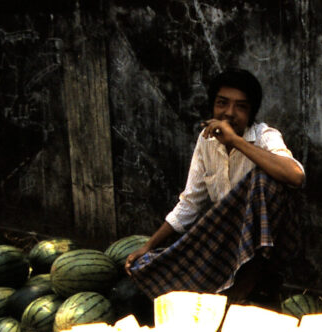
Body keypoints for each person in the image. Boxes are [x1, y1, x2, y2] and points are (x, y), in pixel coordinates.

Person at [125, 68, 305, 303]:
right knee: (149, 268)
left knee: (266, 179)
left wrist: (236, 141)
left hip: (268, 245)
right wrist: (148, 245)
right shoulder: (206, 140)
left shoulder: (264, 136)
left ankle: (245, 289)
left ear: (251, 112)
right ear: (212, 106)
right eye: (222, 103)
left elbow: (295, 175)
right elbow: (190, 203)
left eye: (240, 106)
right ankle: (227, 289)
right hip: (227, 241)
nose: (229, 113)